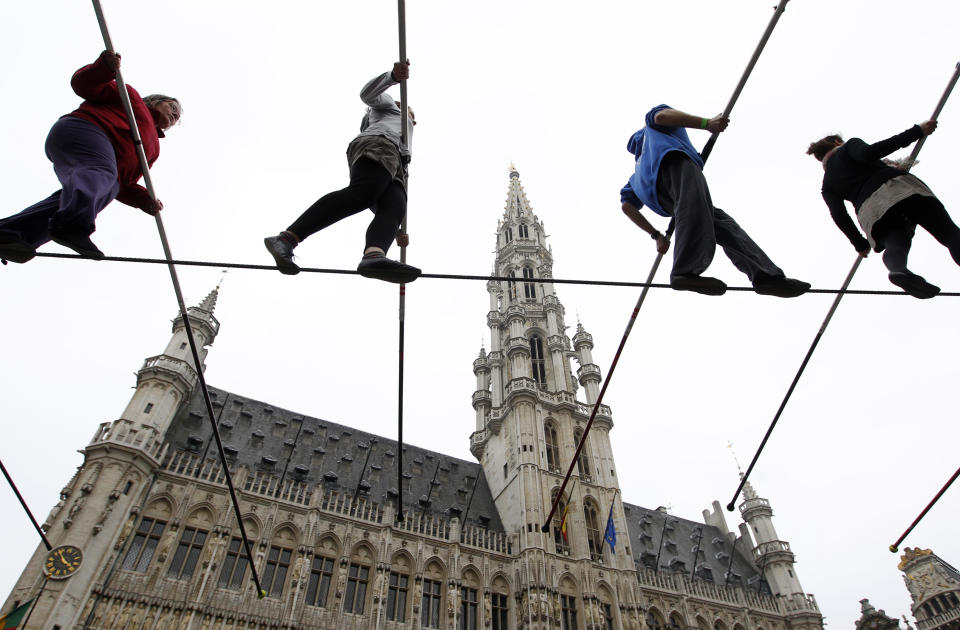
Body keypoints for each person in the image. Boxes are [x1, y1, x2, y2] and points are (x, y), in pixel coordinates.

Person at [0, 51, 180, 263]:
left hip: (101, 160)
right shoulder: (132, 99)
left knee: (104, 188)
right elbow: (84, 84)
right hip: (86, 130)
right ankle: (72, 225)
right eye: (173, 107)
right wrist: (104, 68)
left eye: (178, 117)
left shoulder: (153, 149)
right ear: (154, 101)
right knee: (100, 175)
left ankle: (11, 234)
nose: (176, 115)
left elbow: (124, 181)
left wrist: (143, 200)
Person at [620, 104, 810, 297]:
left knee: (722, 224)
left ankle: (766, 276)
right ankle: (684, 270)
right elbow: (661, 117)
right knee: (692, 209)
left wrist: (656, 235)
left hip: (667, 199)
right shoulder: (653, 130)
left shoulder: (636, 177)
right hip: (674, 163)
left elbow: (627, 206)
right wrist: (706, 123)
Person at [264, 61, 420, 284]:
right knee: (363, 193)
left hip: (395, 162)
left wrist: (395, 227)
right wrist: (392, 77)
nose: (415, 120)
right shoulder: (391, 109)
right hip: (379, 145)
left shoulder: (405, 138)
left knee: (395, 206)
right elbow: (367, 95)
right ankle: (287, 238)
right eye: (412, 114)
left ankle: (374, 255)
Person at [808, 121, 959, 299]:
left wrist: (860, 244)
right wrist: (916, 132)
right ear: (836, 142)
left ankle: (898, 270)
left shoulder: (827, 185)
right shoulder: (847, 147)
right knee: (948, 233)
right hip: (898, 189)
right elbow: (870, 153)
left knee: (896, 242)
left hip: (872, 213)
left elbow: (838, 214)